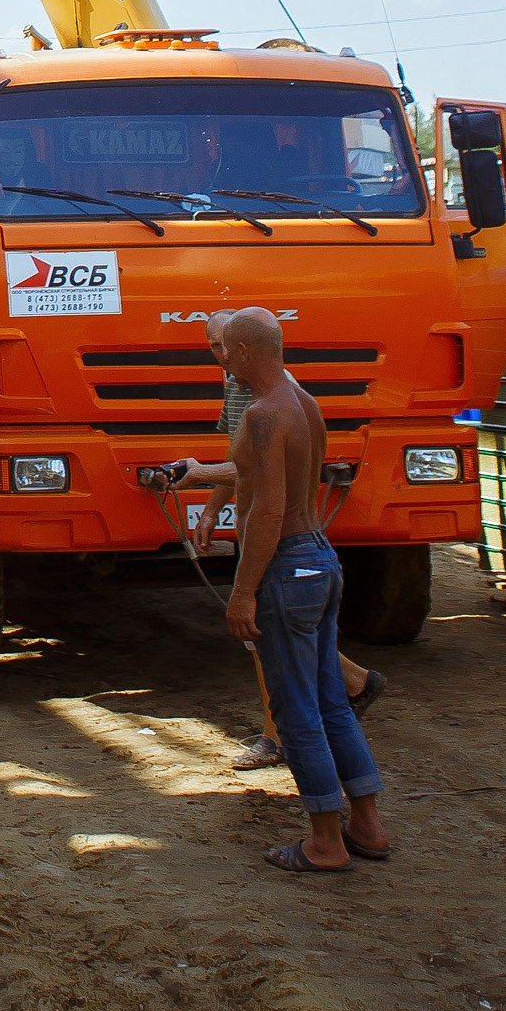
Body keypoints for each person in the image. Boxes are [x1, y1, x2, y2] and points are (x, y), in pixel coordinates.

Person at [213, 307, 388, 874]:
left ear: (242, 352)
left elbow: (266, 511)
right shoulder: (304, 403)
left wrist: (243, 593)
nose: (222, 361)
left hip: (286, 566)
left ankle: (325, 844)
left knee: (297, 715)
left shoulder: (264, 415)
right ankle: (367, 826)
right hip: (320, 557)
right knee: (333, 705)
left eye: (223, 350)